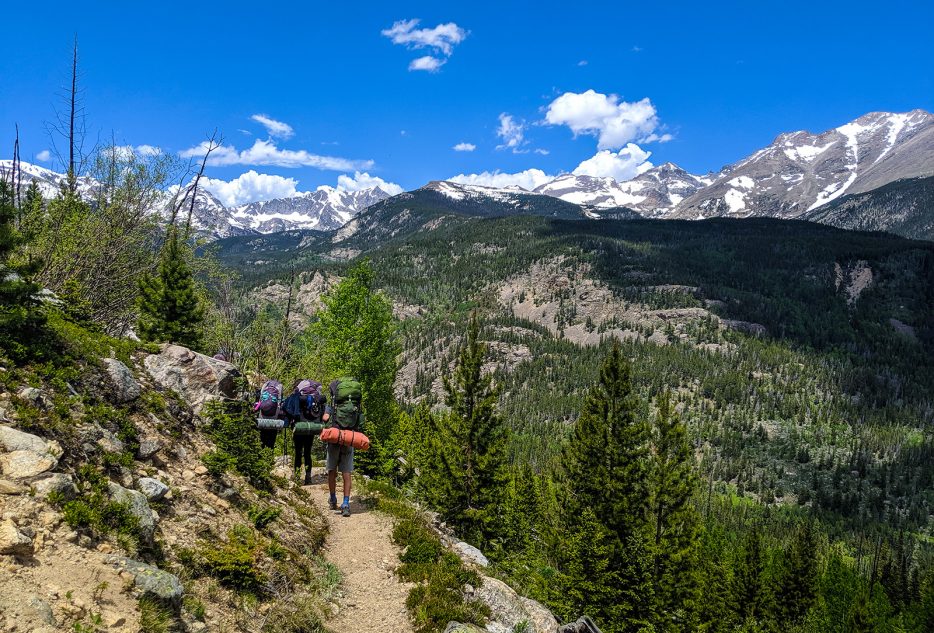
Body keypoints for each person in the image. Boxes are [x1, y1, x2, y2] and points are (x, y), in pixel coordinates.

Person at [325, 377, 363, 518]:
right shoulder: (354, 403)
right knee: (346, 473)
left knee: (331, 470)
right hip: (349, 437)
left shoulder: (333, 404)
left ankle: (333, 498)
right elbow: (361, 420)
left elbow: (325, 418)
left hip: (335, 437)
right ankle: (346, 503)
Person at [282, 380, 326, 485]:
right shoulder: (315, 397)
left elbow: (287, 408)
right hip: (310, 427)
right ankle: (308, 477)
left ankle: (297, 476)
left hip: (299, 426)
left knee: (298, 452)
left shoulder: (297, 396)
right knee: (307, 452)